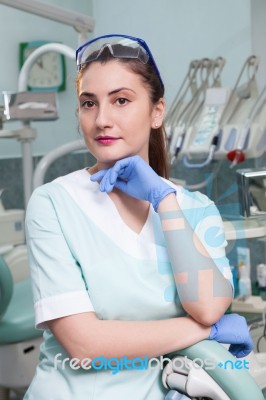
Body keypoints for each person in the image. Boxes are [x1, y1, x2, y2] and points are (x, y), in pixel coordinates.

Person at [23, 34, 253, 400]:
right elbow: (85, 347)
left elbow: (207, 307)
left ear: (156, 112)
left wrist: (164, 200)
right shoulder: (52, 203)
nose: (101, 119)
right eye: (88, 103)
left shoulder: (194, 208)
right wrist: (206, 333)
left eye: (121, 100)